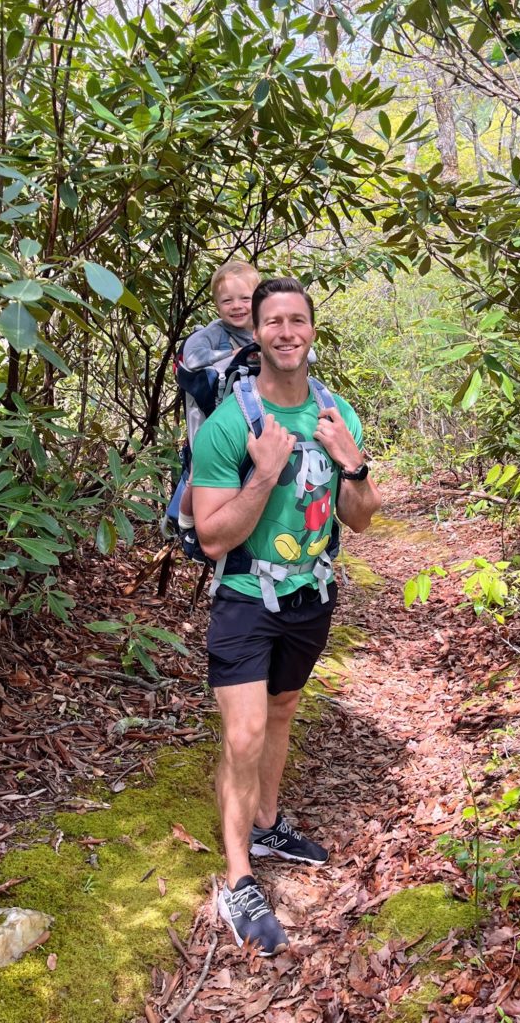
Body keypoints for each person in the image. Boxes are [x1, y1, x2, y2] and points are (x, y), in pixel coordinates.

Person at [191, 277, 381, 955]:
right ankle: (239, 877)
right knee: (242, 735)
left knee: (281, 712)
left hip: (311, 594)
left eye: (297, 319)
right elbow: (212, 536)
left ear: (311, 330)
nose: (286, 331)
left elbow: (359, 518)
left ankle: (268, 821)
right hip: (245, 595)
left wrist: (350, 464)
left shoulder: (338, 413)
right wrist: (264, 473)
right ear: (258, 333)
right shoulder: (229, 425)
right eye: (273, 321)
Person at [177, 260, 261, 529]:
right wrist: (232, 355)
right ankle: (188, 522)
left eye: (245, 298)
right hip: (214, 422)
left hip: (255, 419)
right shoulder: (213, 334)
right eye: (227, 301)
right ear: (216, 305)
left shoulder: (267, 326)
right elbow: (191, 357)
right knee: (201, 470)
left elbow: (306, 352)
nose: (236, 306)